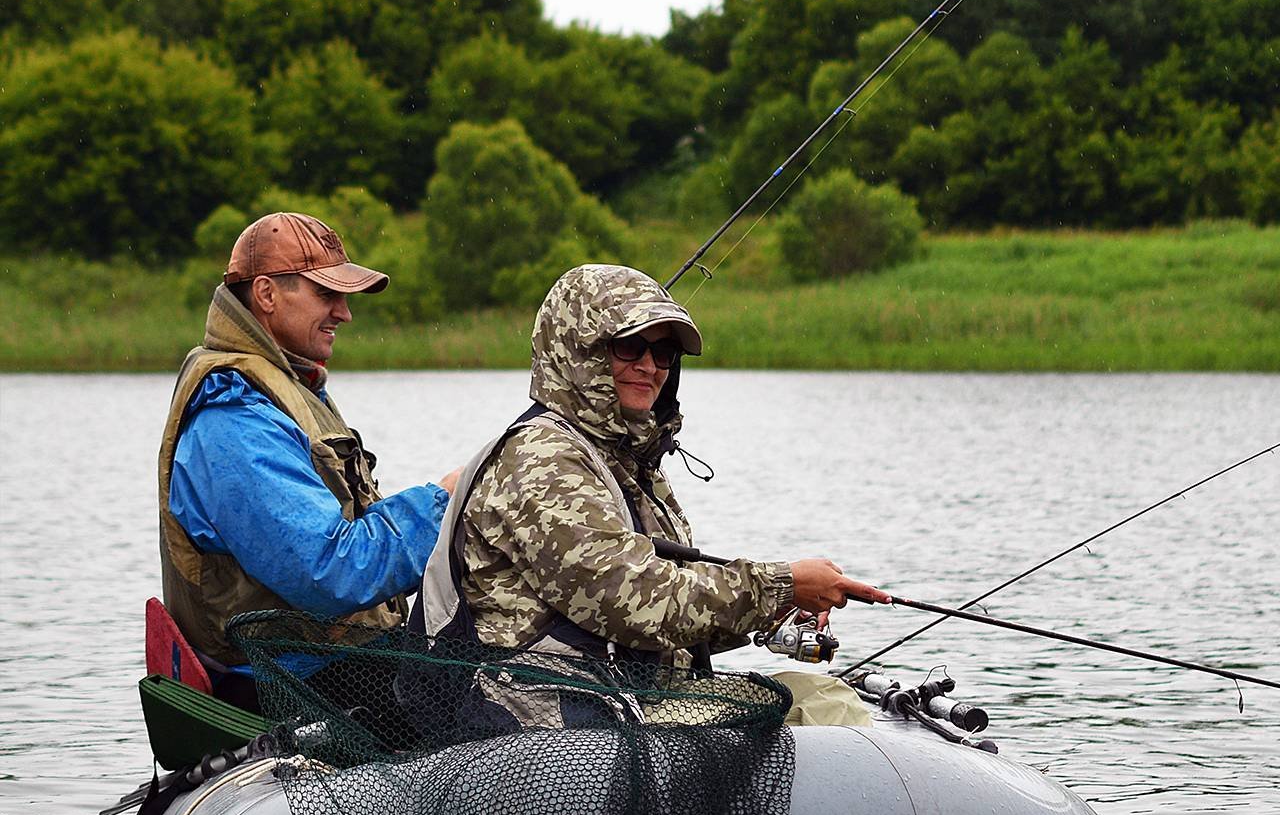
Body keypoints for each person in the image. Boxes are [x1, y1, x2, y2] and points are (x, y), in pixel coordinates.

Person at [414, 263, 885, 726]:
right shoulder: (543, 457)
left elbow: (671, 618)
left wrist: (775, 611)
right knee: (817, 706)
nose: (649, 367)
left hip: (620, 699)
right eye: (628, 347)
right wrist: (777, 585)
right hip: (552, 721)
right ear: (581, 350)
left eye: (663, 354)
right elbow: (629, 601)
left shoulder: (627, 463)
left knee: (821, 695)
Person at [157, 212, 459, 707]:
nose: (345, 313)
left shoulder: (287, 388)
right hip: (290, 684)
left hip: (336, 667)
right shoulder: (235, 419)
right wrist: (443, 504)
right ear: (267, 294)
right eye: (326, 294)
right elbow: (330, 572)